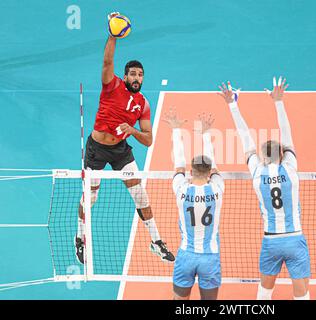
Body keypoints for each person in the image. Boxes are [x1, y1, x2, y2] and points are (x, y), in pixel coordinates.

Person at [75, 12, 174, 265]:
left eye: (140, 75)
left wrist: (133, 132)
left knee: (141, 195)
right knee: (91, 196)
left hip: (121, 151)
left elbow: (149, 140)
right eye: (133, 74)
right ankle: (80, 237)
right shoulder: (112, 85)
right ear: (125, 75)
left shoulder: (143, 105)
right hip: (97, 149)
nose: (137, 78)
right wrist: (112, 35)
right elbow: (107, 62)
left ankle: (156, 241)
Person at [218, 77, 311, 300]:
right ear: (283, 155)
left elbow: (245, 139)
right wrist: (278, 102)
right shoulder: (289, 169)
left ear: (261, 157)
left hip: (271, 240)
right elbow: (286, 133)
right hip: (294, 238)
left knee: (264, 291)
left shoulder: (257, 173)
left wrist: (233, 104)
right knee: (301, 293)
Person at [163, 108, 225, 300]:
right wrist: (206, 134)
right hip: (210, 257)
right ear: (209, 173)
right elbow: (213, 164)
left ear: (191, 171)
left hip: (186, 256)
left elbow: (178, 164)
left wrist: (176, 129)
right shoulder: (217, 189)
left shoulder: (181, 189)